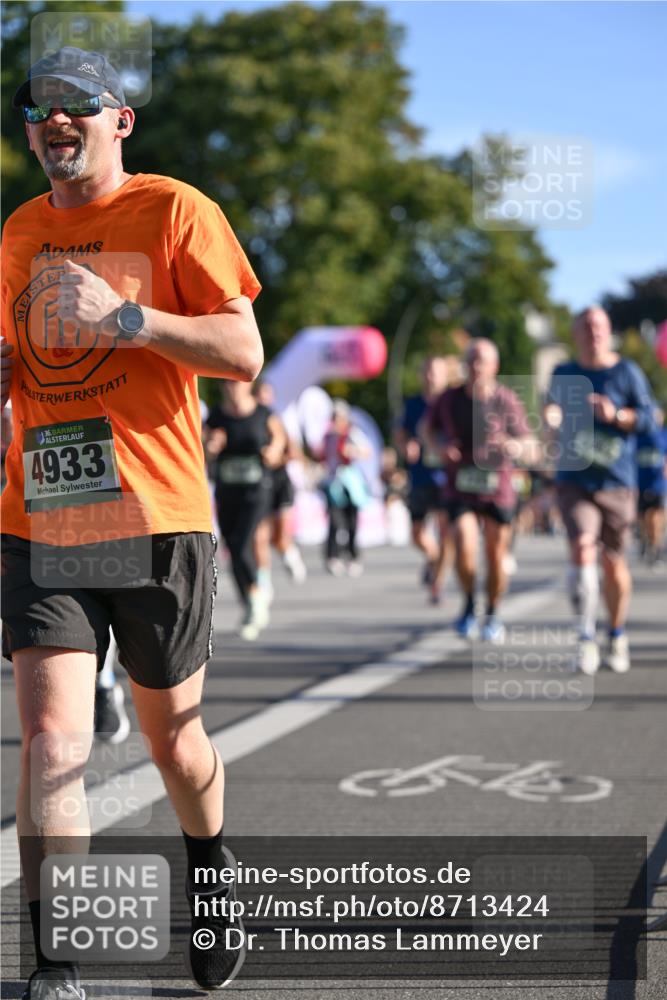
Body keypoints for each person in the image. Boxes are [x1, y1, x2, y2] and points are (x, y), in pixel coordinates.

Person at [1, 47, 263, 998]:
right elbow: (17, 353)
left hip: (157, 517)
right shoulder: (19, 230)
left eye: (78, 104)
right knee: (53, 740)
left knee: (175, 745)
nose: (54, 119)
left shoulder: (175, 210)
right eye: (38, 105)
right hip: (46, 514)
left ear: (122, 121)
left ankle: (211, 870)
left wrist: (131, 320)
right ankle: (54, 963)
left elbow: (243, 350)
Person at [544, 306, 655, 674]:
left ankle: (617, 633)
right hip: (575, 478)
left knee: (613, 563)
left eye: (599, 326)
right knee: (581, 547)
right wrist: (551, 418)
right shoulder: (564, 372)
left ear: (609, 332)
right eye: (586, 326)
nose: (593, 332)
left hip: (616, 481)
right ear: (575, 333)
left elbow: (649, 417)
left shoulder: (626, 372)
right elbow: (551, 410)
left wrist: (617, 415)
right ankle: (585, 636)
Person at [426, 339, 537, 641]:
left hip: (496, 489)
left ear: (494, 366)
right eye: (471, 360)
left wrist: (514, 445)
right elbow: (428, 430)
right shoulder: (448, 399)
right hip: (459, 487)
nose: (476, 366)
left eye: (482, 360)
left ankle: (493, 611)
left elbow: (530, 445)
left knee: (496, 555)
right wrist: (440, 446)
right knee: (463, 545)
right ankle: (468, 603)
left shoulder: (506, 400)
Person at [204, 379, 286, 640]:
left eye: (235, 383)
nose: (231, 388)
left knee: (242, 543)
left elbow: (280, 439)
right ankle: (250, 600)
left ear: (248, 385)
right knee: (232, 546)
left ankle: (256, 597)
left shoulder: (263, 413)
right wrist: (211, 447)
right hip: (228, 489)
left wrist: (273, 450)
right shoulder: (216, 416)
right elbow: (200, 448)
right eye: (226, 384)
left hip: (257, 489)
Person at [394, 356, 452, 604]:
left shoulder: (452, 403)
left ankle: (437, 584)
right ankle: (433, 556)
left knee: (445, 529)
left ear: (445, 376)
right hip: (420, 476)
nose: (430, 376)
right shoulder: (413, 404)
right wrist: (406, 445)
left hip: (447, 476)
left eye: (435, 372)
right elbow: (399, 433)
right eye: (427, 371)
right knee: (416, 534)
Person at [252, 381, 307, 600]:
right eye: (260, 395)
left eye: (267, 395)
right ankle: (263, 581)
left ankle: (290, 554)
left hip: (279, 482)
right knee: (260, 535)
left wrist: (275, 457)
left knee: (279, 536)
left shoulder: (276, 421)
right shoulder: (249, 419)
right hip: (258, 483)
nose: (264, 399)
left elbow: (294, 453)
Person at [320, 399, 371, 576]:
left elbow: (366, 450)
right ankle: (332, 555)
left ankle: (353, 555)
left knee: (351, 521)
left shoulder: (352, 434)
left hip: (350, 482)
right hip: (333, 482)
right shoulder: (328, 436)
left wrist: (352, 451)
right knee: (334, 520)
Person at [635, 407, 667, 566]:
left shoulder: (664, 435)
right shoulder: (637, 436)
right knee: (642, 518)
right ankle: (644, 539)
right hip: (640, 484)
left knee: (656, 518)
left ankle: (655, 548)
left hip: (658, 484)